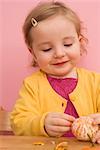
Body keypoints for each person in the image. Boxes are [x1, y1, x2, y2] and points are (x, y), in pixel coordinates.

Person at [10, 1, 100, 143]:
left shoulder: (95, 82)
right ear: (33, 53)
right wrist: (42, 124)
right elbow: (18, 122)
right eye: (46, 49)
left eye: (67, 44)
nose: (59, 53)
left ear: (79, 42)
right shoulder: (32, 85)